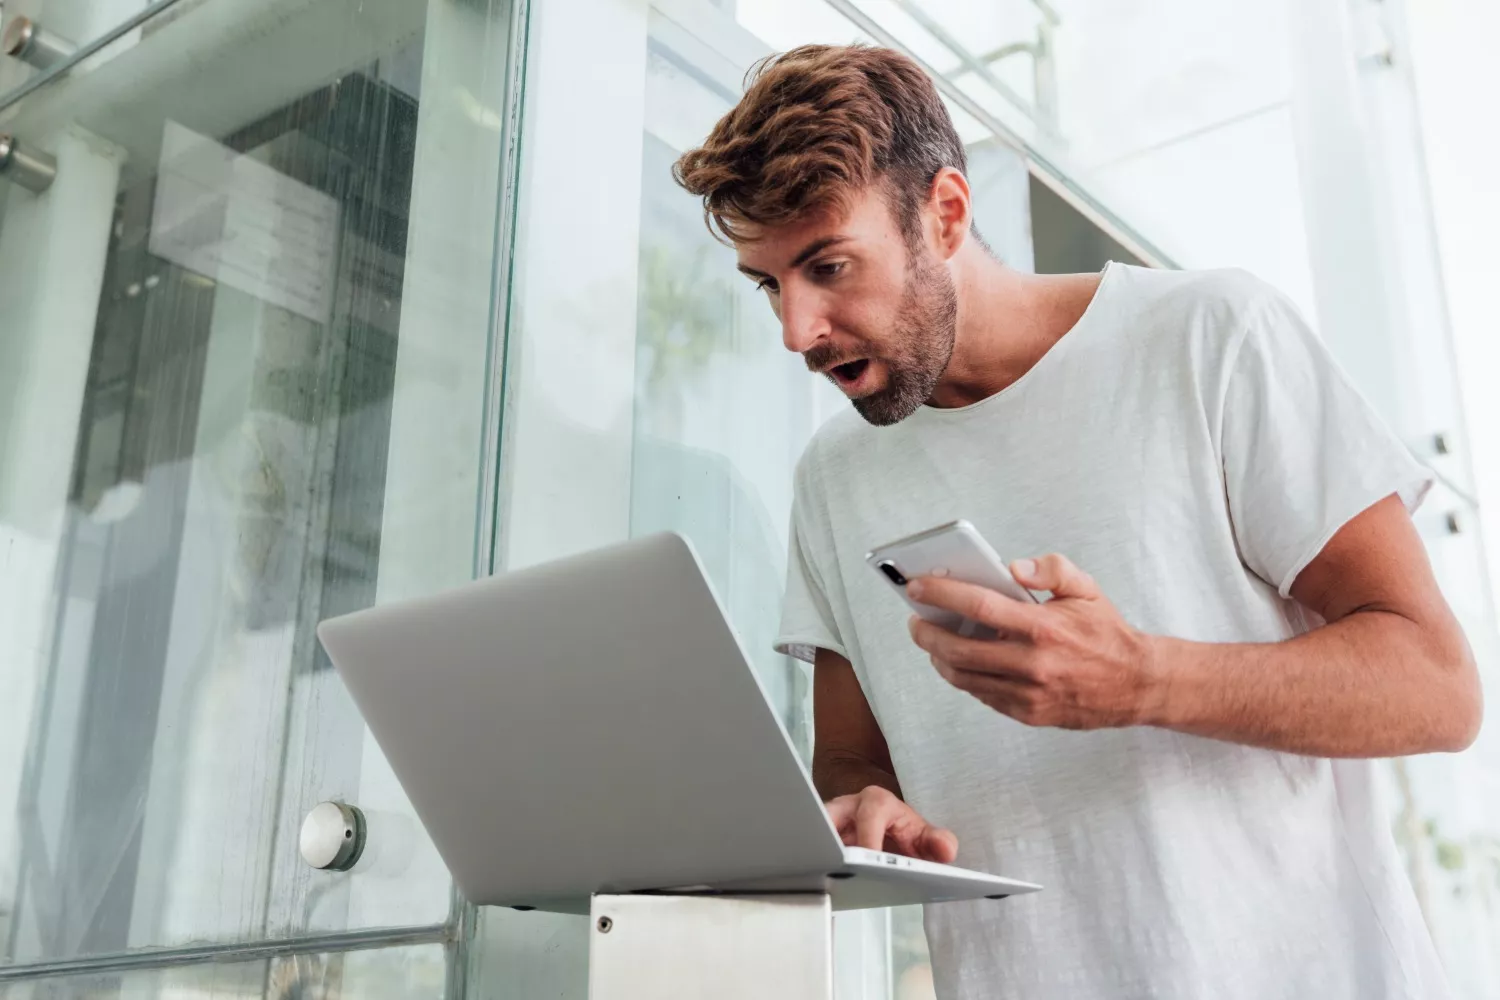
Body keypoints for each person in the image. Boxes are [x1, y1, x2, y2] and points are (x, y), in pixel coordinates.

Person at [672, 43, 1483, 1000]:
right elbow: (853, 763)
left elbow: (1439, 686)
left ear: (945, 214)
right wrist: (863, 808)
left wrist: (1141, 679)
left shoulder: (1210, 339)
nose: (795, 330)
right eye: (769, 284)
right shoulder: (833, 475)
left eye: (828, 266)